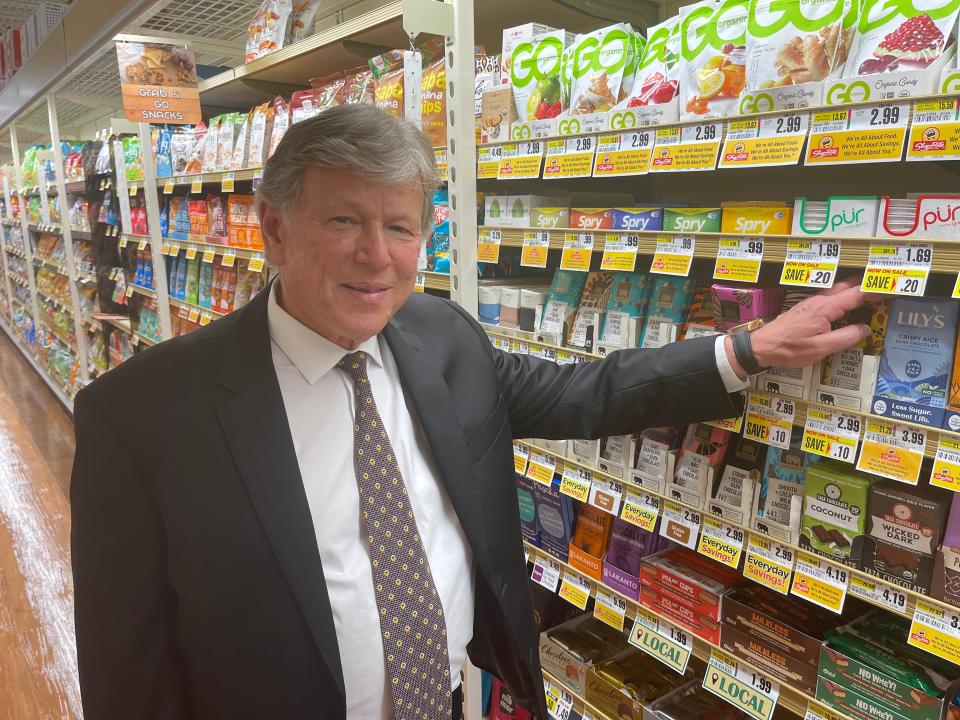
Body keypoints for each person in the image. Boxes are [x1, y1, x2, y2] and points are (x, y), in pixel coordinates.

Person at [71, 104, 871, 720]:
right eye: (345, 219)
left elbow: (577, 392)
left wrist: (747, 352)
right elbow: (127, 673)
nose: (377, 255)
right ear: (275, 230)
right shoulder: (142, 417)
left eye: (400, 227)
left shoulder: (439, 337)